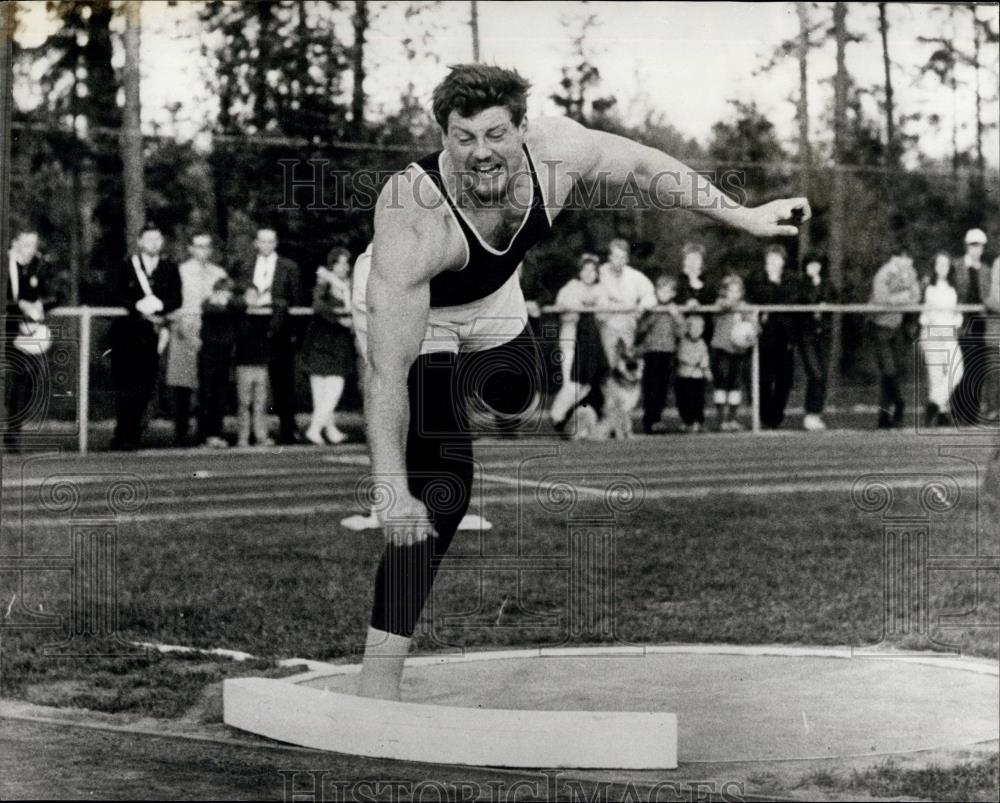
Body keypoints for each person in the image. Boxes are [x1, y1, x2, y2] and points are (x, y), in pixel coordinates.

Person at [354, 64, 810, 700]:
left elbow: (648, 167)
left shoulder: (559, 152)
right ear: (443, 136)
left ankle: (468, 384)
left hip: (495, 294)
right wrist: (389, 488)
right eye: (463, 138)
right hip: (420, 310)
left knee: (520, 391)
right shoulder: (413, 217)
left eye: (495, 134)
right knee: (444, 487)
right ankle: (380, 676)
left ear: (523, 129)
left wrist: (745, 217)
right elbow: (384, 373)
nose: (481, 153)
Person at [109, 222, 182, 451]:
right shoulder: (126, 265)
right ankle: (122, 434)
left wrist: (161, 305)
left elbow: (177, 299)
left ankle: (135, 433)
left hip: (153, 335)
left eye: (157, 239)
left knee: (145, 386)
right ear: (140, 241)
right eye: (149, 239)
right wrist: (136, 305)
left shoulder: (169, 268)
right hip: (128, 333)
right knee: (125, 386)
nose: (154, 243)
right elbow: (114, 294)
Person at [234, 228, 302, 444]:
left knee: (283, 381)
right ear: (256, 243)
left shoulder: (289, 267)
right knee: (249, 388)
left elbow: (296, 299)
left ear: (276, 242)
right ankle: (248, 434)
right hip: (250, 330)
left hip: (278, 330)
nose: (266, 245)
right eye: (262, 241)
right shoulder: (245, 265)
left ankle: (287, 429)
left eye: (271, 241)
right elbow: (237, 293)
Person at [167, 233, 227, 446]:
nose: (203, 250)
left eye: (207, 246)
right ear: (190, 248)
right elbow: (173, 303)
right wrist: (184, 329)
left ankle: (209, 432)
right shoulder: (180, 272)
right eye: (198, 246)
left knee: (211, 386)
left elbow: (223, 301)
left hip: (211, 335)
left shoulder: (218, 273)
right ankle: (181, 432)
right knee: (182, 384)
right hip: (184, 331)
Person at [4, 231, 61, 451]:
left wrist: (39, 307)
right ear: (15, 243)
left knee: (27, 379)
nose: (30, 249)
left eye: (33, 245)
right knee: (15, 378)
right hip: (7, 328)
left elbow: (55, 294)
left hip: (29, 332)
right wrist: (19, 306)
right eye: (25, 244)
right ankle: (13, 431)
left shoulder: (40, 265)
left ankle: (13, 430)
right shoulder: (5, 264)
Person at [301, 247, 355, 445]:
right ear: (332, 264)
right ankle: (315, 429)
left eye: (346, 263)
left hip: (339, 343)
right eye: (340, 263)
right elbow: (318, 305)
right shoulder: (324, 281)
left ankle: (329, 430)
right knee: (324, 393)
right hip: (321, 341)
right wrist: (339, 320)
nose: (344, 267)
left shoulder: (348, 285)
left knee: (331, 390)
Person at [550, 253, 609, 430]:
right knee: (572, 384)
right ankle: (556, 416)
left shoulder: (601, 290)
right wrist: (582, 306)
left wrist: (593, 306)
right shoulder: (570, 288)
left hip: (591, 345)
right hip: (571, 343)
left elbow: (604, 314)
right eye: (586, 269)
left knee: (585, 385)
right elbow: (565, 310)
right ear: (580, 271)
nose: (589, 273)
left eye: (593, 270)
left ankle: (562, 419)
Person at [746, 244, 798, 429]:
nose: (774, 263)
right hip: (765, 335)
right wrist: (772, 285)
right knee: (763, 377)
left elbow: (790, 299)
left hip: (785, 335)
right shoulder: (757, 277)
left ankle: (776, 416)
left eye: (778, 259)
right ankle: (763, 415)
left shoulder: (791, 278)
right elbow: (760, 296)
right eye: (770, 259)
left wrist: (774, 287)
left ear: (783, 261)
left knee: (784, 378)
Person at [869, 242, 921, 429]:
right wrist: (901, 297)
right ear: (895, 258)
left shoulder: (911, 273)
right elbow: (881, 299)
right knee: (888, 370)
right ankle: (899, 402)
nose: (908, 263)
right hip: (882, 326)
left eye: (910, 260)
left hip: (899, 328)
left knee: (893, 373)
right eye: (905, 259)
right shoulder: (884, 273)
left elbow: (916, 296)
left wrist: (901, 297)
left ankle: (884, 416)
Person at [951, 229, 997, 425]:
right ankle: (955, 404)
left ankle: (970, 414)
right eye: (973, 245)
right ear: (966, 246)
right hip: (961, 323)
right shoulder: (956, 266)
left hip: (981, 324)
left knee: (977, 369)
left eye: (980, 245)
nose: (977, 249)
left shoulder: (986, 270)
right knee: (964, 369)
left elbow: (989, 297)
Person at [595, 239, 657, 368]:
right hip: (606, 325)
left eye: (623, 257)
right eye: (616, 256)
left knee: (626, 364)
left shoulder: (634, 276)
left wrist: (642, 307)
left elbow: (650, 296)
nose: (619, 261)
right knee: (608, 364)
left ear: (627, 259)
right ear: (609, 257)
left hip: (627, 326)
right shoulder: (599, 273)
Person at [918, 252, 964, 427]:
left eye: (946, 264)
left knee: (957, 371)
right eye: (939, 264)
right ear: (934, 267)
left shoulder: (954, 288)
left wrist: (955, 322)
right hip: (931, 333)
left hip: (949, 334)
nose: (942, 268)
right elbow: (926, 314)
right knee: (936, 376)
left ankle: (934, 404)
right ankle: (942, 414)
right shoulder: (928, 287)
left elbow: (958, 312)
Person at [636, 274, 684, 433]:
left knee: (663, 387)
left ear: (673, 294)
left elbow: (682, 331)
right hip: (651, 352)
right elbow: (641, 328)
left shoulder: (675, 309)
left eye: (668, 291)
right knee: (651, 387)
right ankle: (649, 419)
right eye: (661, 290)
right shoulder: (651, 309)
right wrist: (652, 314)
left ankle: (658, 418)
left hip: (667, 352)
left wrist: (676, 315)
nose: (664, 294)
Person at [198, 276, 240, 448]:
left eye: (227, 293)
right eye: (221, 292)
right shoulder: (208, 305)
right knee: (207, 395)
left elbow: (240, 305)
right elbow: (209, 308)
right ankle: (204, 434)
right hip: (208, 355)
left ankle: (216, 432)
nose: (224, 296)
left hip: (224, 355)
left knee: (220, 396)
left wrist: (227, 302)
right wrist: (221, 303)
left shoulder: (232, 306)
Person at [797, 253, 837, 432]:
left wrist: (826, 305)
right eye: (810, 264)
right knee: (816, 373)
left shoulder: (827, 284)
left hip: (824, 335)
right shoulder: (800, 285)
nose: (813, 267)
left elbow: (838, 299)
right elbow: (798, 302)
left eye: (816, 264)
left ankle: (816, 413)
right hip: (806, 335)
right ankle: (810, 413)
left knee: (823, 374)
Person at [710, 274, 755, 431]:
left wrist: (752, 330)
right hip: (722, 348)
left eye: (738, 291)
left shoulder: (745, 307)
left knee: (735, 384)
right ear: (725, 292)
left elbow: (753, 326)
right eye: (731, 291)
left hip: (739, 350)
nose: (734, 294)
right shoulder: (721, 304)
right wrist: (729, 304)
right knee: (722, 383)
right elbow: (721, 306)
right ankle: (722, 419)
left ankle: (732, 418)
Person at [233, 284, 272, 447]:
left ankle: (260, 435)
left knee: (260, 403)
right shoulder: (239, 315)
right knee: (244, 403)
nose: (252, 299)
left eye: (254, 295)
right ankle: (243, 436)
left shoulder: (264, 316)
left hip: (261, 364)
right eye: (248, 295)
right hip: (244, 364)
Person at [675, 314, 712, 432]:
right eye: (693, 328)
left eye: (699, 328)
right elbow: (681, 356)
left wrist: (706, 369)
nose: (696, 331)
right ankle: (687, 421)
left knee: (698, 400)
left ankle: (699, 421)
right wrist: (694, 362)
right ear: (688, 329)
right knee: (685, 400)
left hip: (698, 376)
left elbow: (705, 357)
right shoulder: (683, 342)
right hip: (685, 375)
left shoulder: (702, 343)